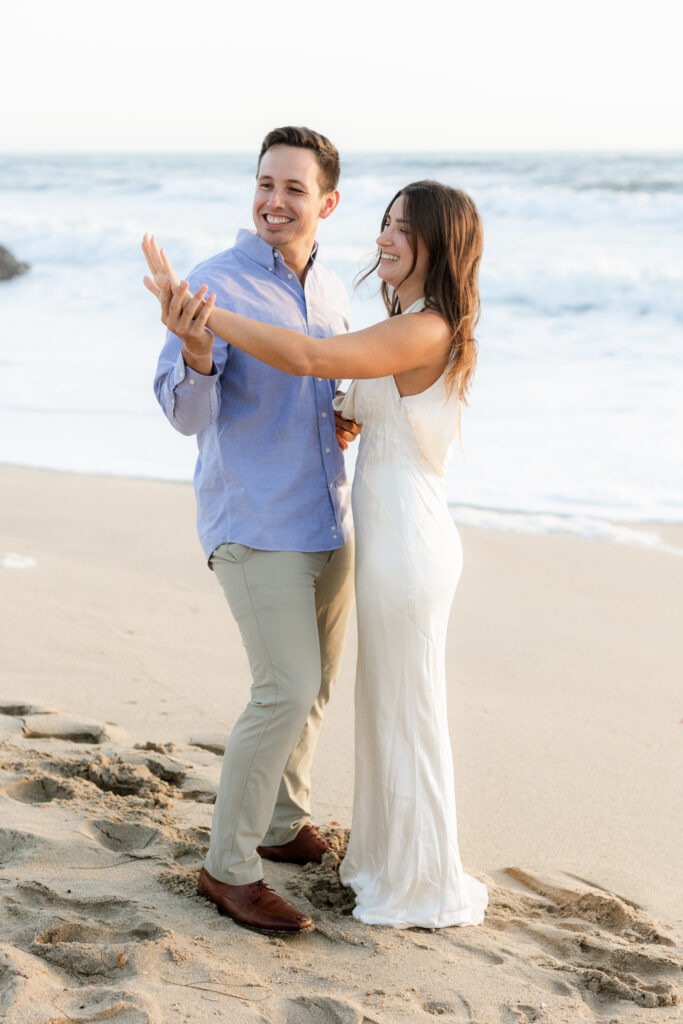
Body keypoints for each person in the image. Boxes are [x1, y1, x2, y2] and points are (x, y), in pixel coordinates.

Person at [144, 178, 489, 929]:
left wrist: (205, 311)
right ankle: (369, 854)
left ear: (441, 243)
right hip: (372, 532)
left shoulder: (425, 326)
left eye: (404, 228)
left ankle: (416, 872)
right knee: (379, 700)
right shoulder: (405, 321)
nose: (385, 238)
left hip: (405, 545)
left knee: (402, 705)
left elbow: (307, 357)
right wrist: (351, 421)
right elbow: (365, 400)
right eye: (385, 222)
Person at [151, 126, 358, 936]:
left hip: (327, 516)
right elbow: (182, 413)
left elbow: (331, 390)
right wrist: (197, 351)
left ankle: (280, 822)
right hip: (255, 518)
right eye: (265, 184)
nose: (274, 201)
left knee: (317, 688)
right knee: (284, 689)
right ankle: (226, 867)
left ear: (327, 203)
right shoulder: (211, 283)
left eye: (294, 189)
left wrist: (343, 418)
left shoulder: (335, 290)